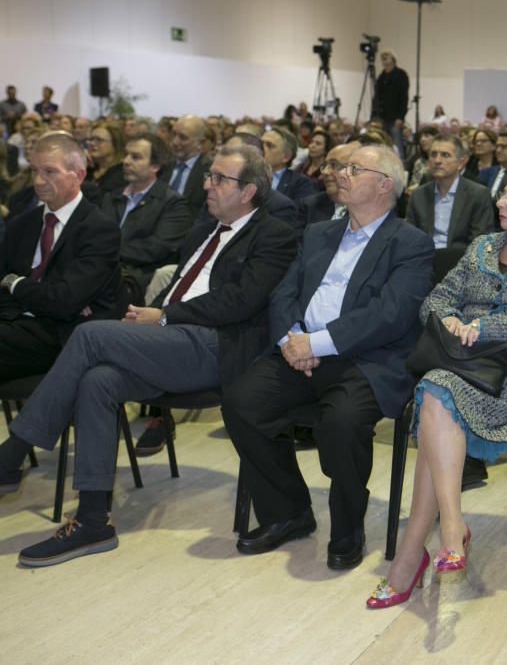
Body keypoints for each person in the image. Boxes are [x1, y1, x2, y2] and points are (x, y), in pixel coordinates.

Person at [0, 144, 297, 566]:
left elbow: (241, 302)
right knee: (97, 380)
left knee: (88, 337)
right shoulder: (203, 228)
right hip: (171, 340)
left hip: (215, 346)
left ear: (248, 190)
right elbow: (175, 287)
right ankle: (92, 520)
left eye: (218, 179)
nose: (206, 185)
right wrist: (142, 317)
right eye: (208, 175)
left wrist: (163, 316)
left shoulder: (274, 234)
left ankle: (11, 455)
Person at [367, 160, 507, 608]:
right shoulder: (483, 247)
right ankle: (447, 531)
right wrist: (448, 318)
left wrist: (487, 327)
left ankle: (422, 548)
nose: (500, 202)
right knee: (437, 391)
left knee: (435, 390)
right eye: (502, 194)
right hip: (465, 368)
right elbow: (436, 299)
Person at [222, 144, 435, 567]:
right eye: (342, 166)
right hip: (299, 348)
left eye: (355, 168)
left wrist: (315, 344)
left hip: (366, 361)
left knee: (341, 423)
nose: (341, 173)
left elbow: (389, 316)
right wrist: (291, 338)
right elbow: (284, 290)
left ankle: (347, 526)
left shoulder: (410, 243)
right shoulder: (319, 232)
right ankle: (289, 513)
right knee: (242, 402)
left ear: (385, 185)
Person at [0, 132, 121, 381]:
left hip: (61, 335)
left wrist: (16, 283)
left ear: (78, 175)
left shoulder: (99, 229)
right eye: (35, 171)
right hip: (13, 324)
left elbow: (64, 301)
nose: (38, 181)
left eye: (49, 172)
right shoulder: (22, 224)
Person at [101, 134, 193, 293]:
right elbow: (97, 234)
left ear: (155, 166)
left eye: (135, 157)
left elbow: (155, 249)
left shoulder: (173, 204)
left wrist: (107, 250)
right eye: (126, 155)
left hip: (138, 278)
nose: (126, 161)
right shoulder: (113, 196)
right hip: (103, 268)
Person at [406, 135, 495, 251]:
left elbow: (480, 241)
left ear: (461, 163)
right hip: (423, 260)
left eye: (445, 155)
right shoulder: (418, 195)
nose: (437, 160)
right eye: (433, 155)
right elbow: (410, 238)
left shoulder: (478, 194)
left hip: (461, 261)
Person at [372, 50, 410, 155]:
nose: (384, 60)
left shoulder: (401, 75)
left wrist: (400, 117)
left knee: (397, 144)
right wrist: (374, 116)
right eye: (382, 58)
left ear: (393, 59)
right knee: (382, 144)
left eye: (386, 57)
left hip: (395, 118)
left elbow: (404, 97)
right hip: (382, 117)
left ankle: (401, 164)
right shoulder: (381, 77)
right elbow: (376, 97)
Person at [85, 123, 127, 200]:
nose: (92, 143)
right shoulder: (88, 169)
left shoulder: (123, 173)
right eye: (91, 139)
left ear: (115, 144)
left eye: (98, 140)